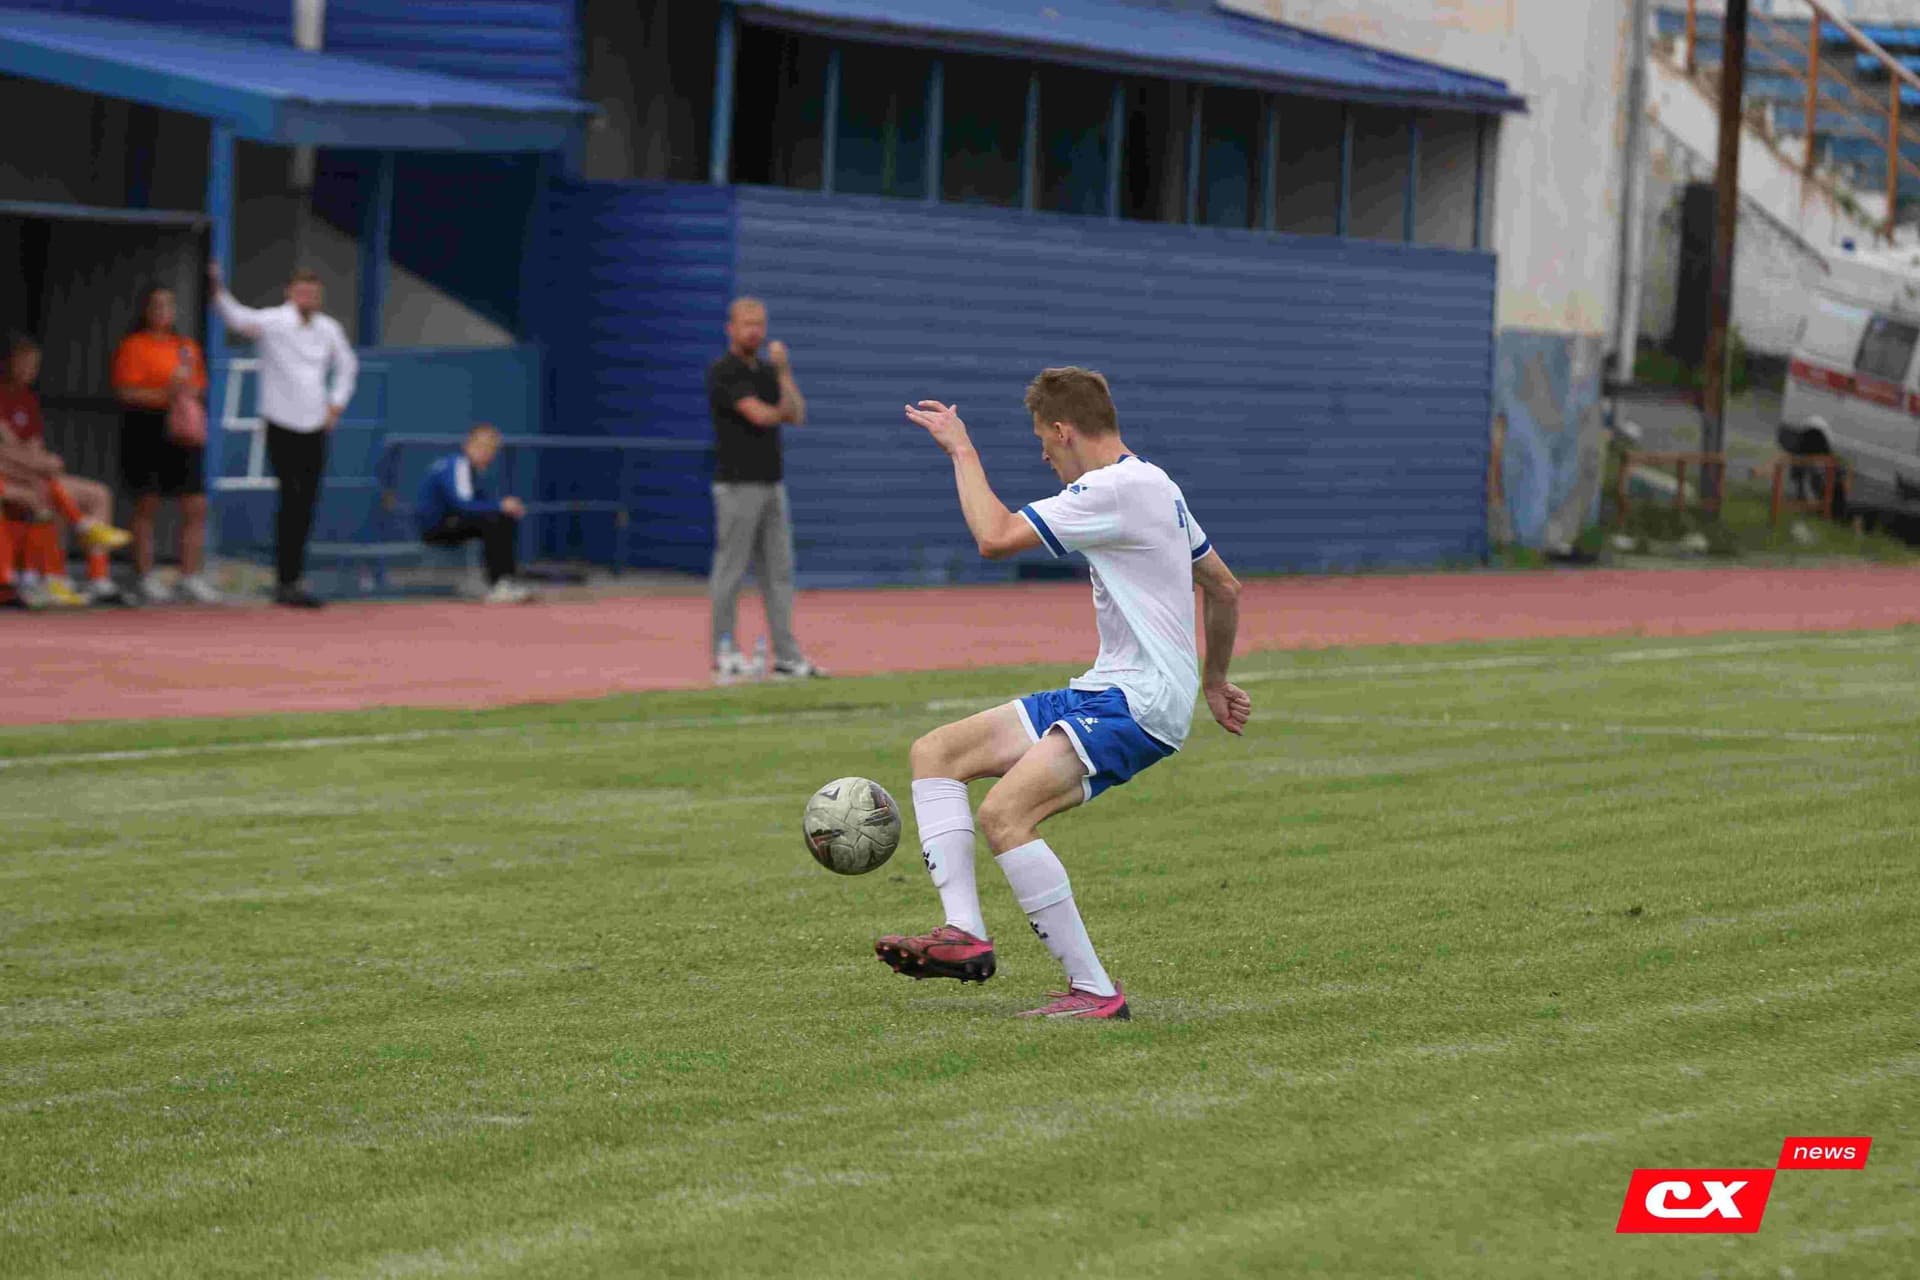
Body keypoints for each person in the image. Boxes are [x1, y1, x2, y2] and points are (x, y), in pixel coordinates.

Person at [877, 368, 1253, 1020]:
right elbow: (1223, 586)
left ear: (1063, 430)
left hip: (1135, 705)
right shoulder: (1155, 483)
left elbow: (994, 537)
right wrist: (1214, 680)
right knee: (936, 753)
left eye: (1042, 442)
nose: (1043, 456)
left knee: (1004, 815)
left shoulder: (1111, 489)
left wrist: (962, 451)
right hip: (1106, 690)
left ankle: (1096, 993)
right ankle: (963, 934)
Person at [210, 264, 358, 609]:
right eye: (302, 291)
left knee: (306, 502)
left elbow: (347, 365)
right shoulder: (274, 321)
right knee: (291, 498)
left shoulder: (328, 328)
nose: (308, 297)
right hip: (280, 421)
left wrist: (336, 404)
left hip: (315, 424)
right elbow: (237, 318)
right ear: (289, 293)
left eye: (313, 293)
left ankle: (293, 578)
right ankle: (286, 580)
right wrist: (216, 288)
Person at [705, 297, 822, 681]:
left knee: (779, 573)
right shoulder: (724, 371)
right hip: (737, 485)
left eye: (759, 323)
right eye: (747, 324)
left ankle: (787, 657)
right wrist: (779, 412)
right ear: (731, 328)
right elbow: (758, 415)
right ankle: (725, 651)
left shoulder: (768, 371)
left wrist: (784, 371)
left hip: (772, 484)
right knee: (731, 572)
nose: (754, 331)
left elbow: (796, 413)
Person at [1, 333, 132, 605]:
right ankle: (51, 576)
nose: (30, 370)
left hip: (31, 475)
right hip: (14, 478)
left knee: (98, 495)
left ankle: (98, 580)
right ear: (7, 362)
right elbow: (6, 451)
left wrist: (43, 462)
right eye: (24, 362)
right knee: (44, 495)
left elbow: (32, 449)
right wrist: (37, 463)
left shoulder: (27, 399)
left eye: (34, 364)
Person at [112, 288, 213, 603]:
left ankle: (190, 576)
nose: (162, 310)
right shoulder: (134, 345)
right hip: (145, 427)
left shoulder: (186, 346)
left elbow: (199, 386)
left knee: (195, 503)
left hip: (181, 429)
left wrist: (184, 391)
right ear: (145, 310)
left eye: (168, 305)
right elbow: (126, 392)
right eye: (156, 305)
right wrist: (165, 391)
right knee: (147, 503)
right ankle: (144, 575)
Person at [415, 424, 533, 604]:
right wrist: (501, 505)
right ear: (467, 445)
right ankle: (499, 585)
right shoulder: (458, 465)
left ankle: (505, 581)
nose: (486, 452)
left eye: (491, 448)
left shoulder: (472, 471)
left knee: (504, 518)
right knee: (495, 519)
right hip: (436, 528)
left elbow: (476, 504)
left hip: (452, 522)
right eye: (481, 446)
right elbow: (463, 504)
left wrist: (503, 508)